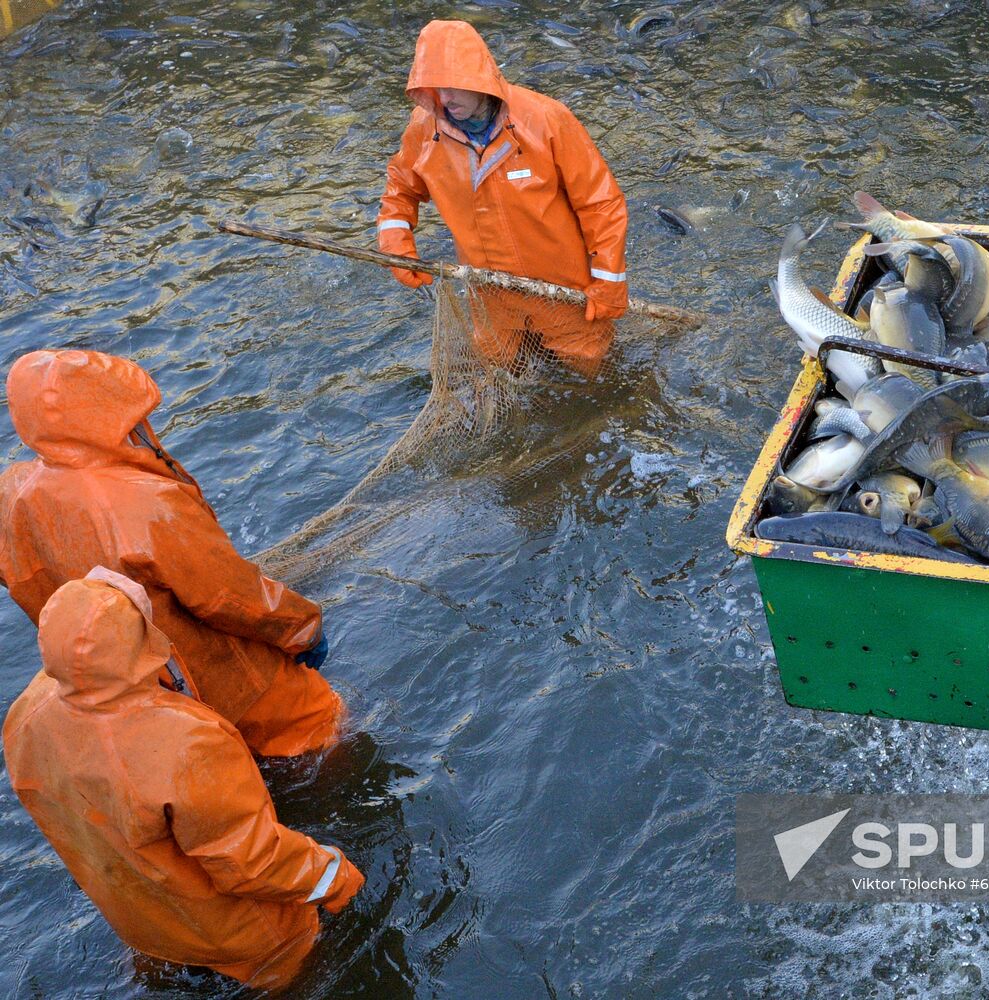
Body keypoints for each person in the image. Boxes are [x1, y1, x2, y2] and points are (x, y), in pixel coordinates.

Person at [3, 569, 364, 989]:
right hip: (249, 938)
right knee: (311, 978)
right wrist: (336, 877)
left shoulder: (24, 719)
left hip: (148, 929)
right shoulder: (187, 742)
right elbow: (252, 861)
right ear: (138, 640)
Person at [0, 349, 340, 757]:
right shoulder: (147, 504)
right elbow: (227, 595)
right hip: (235, 680)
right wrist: (303, 629)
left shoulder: (12, 496)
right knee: (323, 730)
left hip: (139, 698)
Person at [377, 19, 629, 377]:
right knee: (499, 375)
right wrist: (395, 246)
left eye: (453, 87)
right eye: (435, 88)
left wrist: (608, 282)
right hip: (491, 299)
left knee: (590, 376)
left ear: (479, 80)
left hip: (564, 293)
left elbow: (600, 203)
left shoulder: (546, 119)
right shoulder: (423, 130)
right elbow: (400, 190)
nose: (445, 99)